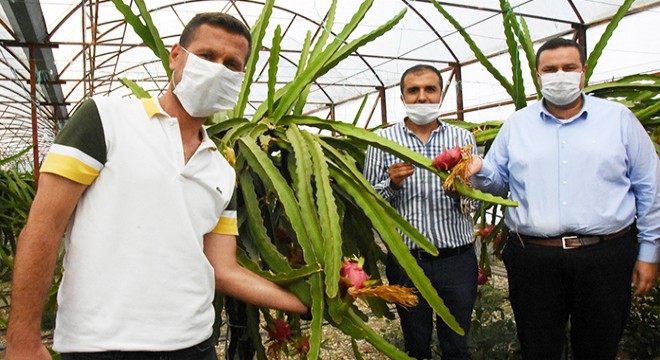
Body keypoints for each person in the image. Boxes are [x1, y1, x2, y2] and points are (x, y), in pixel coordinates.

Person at [5, 13, 307, 360]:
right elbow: (45, 225)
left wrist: (304, 304)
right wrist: (23, 339)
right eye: (207, 56)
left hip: (196, 346)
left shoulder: (222, 171)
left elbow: (223, 270)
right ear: (175, 56)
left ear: (240, 78)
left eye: (231, 64)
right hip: (102, 348)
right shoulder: (103, 119)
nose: (218, 68)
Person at [467, 38, 660, 360]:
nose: (560, 75)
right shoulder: (517, 125)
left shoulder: (619, 119)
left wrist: (650, 251)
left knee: (599, 347)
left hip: (606, 255)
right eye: (550, 69)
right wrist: (478, 169)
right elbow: (500, 185)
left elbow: (649, 187)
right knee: (538, 348)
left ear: (583, 72)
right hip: (534, 258)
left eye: (568, 68)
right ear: (537, 75)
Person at [363, 64, 478, 360]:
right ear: (402, 97)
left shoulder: (463, 140)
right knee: (416, 346)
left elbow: (475, 203)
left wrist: (459, 193)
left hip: (457, 259)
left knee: (457, 346)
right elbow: (368, 201)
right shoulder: (382, 141)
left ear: (441, 94)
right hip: (406, 262)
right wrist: (392, 183)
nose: (422, 97)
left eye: (430, 89)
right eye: (413, 90)